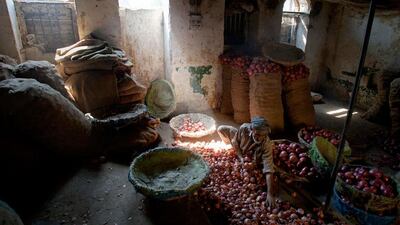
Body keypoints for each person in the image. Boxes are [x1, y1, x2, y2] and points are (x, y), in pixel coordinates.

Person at [217, 116, 277, 206]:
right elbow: (235, 142)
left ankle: (244, 158)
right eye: (256, 134)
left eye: (261, 135)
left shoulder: (266, 144)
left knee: (261, 168)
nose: (258, 138)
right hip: (242, 151)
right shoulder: (244, 128)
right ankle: (231, 149)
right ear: (251, 129)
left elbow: (268, 169)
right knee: (221, 129)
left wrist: (270, 193)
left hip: (254, 158)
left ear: (265, 134)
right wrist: (241, 158)